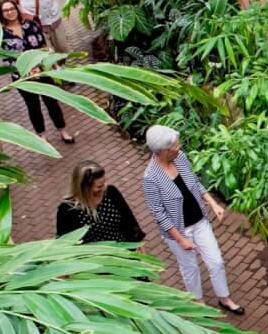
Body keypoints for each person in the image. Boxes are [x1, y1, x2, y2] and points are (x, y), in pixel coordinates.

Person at [141, 124, 244, 314]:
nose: (179, 147)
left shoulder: (180, 158)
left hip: (200, 221)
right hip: (178, 232)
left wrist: (213, 204)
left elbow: (195, 182)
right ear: (164, 151)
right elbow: (159, 214)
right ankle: (198, 301)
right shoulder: (150, 178)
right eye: (175, 145)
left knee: (216, 262)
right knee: (190, 268)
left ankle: (224, 298)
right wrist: (181, 240)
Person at [0, 0, 72, 144]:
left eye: (11, 9)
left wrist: (45, 63)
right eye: (5, 10)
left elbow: (43, 46)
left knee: (51, 101)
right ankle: (41, 136)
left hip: (42, 69)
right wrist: (25, 70)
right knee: (33, 106)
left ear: (16, 9)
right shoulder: (1, 34)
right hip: (21, 76)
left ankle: (63, 130)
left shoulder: (31, 25)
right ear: (1, 14)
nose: (9, 12)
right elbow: (6, 58)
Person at [56, 161, 146, 244]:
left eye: (104, 183)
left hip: (123, 251)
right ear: (85, 188)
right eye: (99, 186)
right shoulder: (67, 210)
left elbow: (129, 221)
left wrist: (140, 247)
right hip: (94, 258)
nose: (104, 188)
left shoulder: (111, 192)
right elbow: (64, 242)